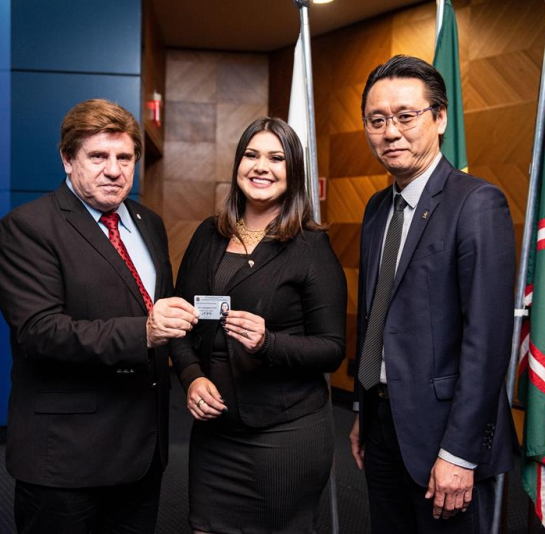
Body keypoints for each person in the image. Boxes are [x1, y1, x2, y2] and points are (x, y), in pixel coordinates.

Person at [0, 98, 198, 533]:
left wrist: (192, 372)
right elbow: (40, 332)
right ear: (68, 160)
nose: (114, 170)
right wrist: (144, 332)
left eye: (125, 158)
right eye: (98, 156)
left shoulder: (148, 223)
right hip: (67, 457)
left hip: (143, 452)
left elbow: (162, 310)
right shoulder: (28, 227)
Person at [349, 55, 517, 532]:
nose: (390, 132)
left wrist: (460, 453)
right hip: (382, 423)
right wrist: (363, 408)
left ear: (440, 118)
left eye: (406, 116)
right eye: (377, 120)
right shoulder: (377, 208)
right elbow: (375, 317)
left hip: (444, 437)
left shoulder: (477, 203)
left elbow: (486, 342)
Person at [170, 117, 347, 533]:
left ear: (293, 170)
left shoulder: (310, 246)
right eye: (251, 155)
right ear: (238, 164)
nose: (261, 166)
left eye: (276, 158)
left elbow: (332, 348)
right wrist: (192, 377)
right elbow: (180, 325)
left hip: (284, 434)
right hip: (215, 434)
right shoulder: (208, 235)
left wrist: (269, 342)